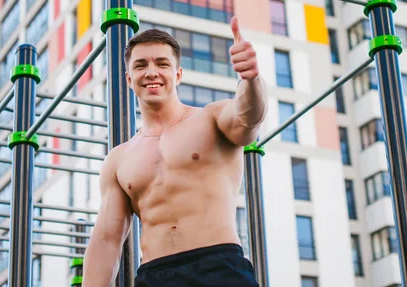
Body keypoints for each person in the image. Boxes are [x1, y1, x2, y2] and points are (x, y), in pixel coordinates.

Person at [83, 16, 268, 287]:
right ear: (128, 78)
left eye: (162, 63)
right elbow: (106, 240)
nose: (151, 72)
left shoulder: (211, 119)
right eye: (140, 65)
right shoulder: (119, 159)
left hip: (218, 267)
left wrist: (251, 79)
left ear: (178, 74)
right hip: (154, 276)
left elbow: (248, 119)